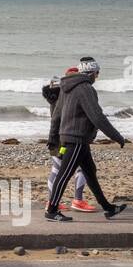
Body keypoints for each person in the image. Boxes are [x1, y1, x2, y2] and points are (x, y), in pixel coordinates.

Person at [45, 56, 129, 221]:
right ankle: (52, 210)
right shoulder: (85, 89)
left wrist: (52, 137)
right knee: (64, 175)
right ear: (91, 73)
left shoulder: (66, 87)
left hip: (75, 139)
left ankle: (108, 208)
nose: (97, 77)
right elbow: (97, 117)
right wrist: (117, 137)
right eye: (97, 73)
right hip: (76, 139)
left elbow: (56, 115)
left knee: (90, 173)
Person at [43, 69, 95, 212]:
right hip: (68, 137)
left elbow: (55, 119)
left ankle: (51, 201)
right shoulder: (68, 94)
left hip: (57, 137)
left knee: (57, 169)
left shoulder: (56, 94)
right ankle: (77, 200)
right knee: (82, 168)